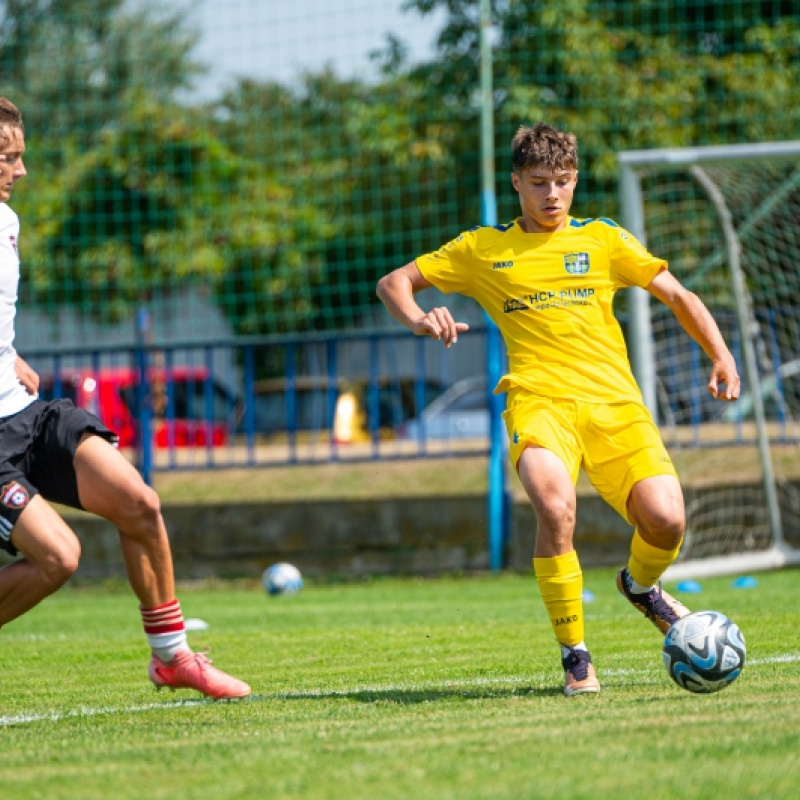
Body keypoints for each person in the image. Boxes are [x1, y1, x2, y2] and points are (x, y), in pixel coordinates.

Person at [376, 122, 740, 696]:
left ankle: (642, 587)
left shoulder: (603, 239)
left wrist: (721, 354)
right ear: (517, 182)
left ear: (575, 183)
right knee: (554, 506)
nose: (552, 195)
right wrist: (421, 317)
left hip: (615, 404)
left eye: (563, 182)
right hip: (538, 401)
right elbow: (394, 282)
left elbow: (677, 294)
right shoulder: (482, 249)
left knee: (667, 520)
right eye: (540, 182)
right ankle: (576, 655)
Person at [0, 96, 250, 700]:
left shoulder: (6, 221)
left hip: (25, 413)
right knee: (59, 557)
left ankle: (173, 659)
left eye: (20, 156)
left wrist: (12, 357)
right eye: (7, 157)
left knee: (139, 502)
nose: (22, 171)